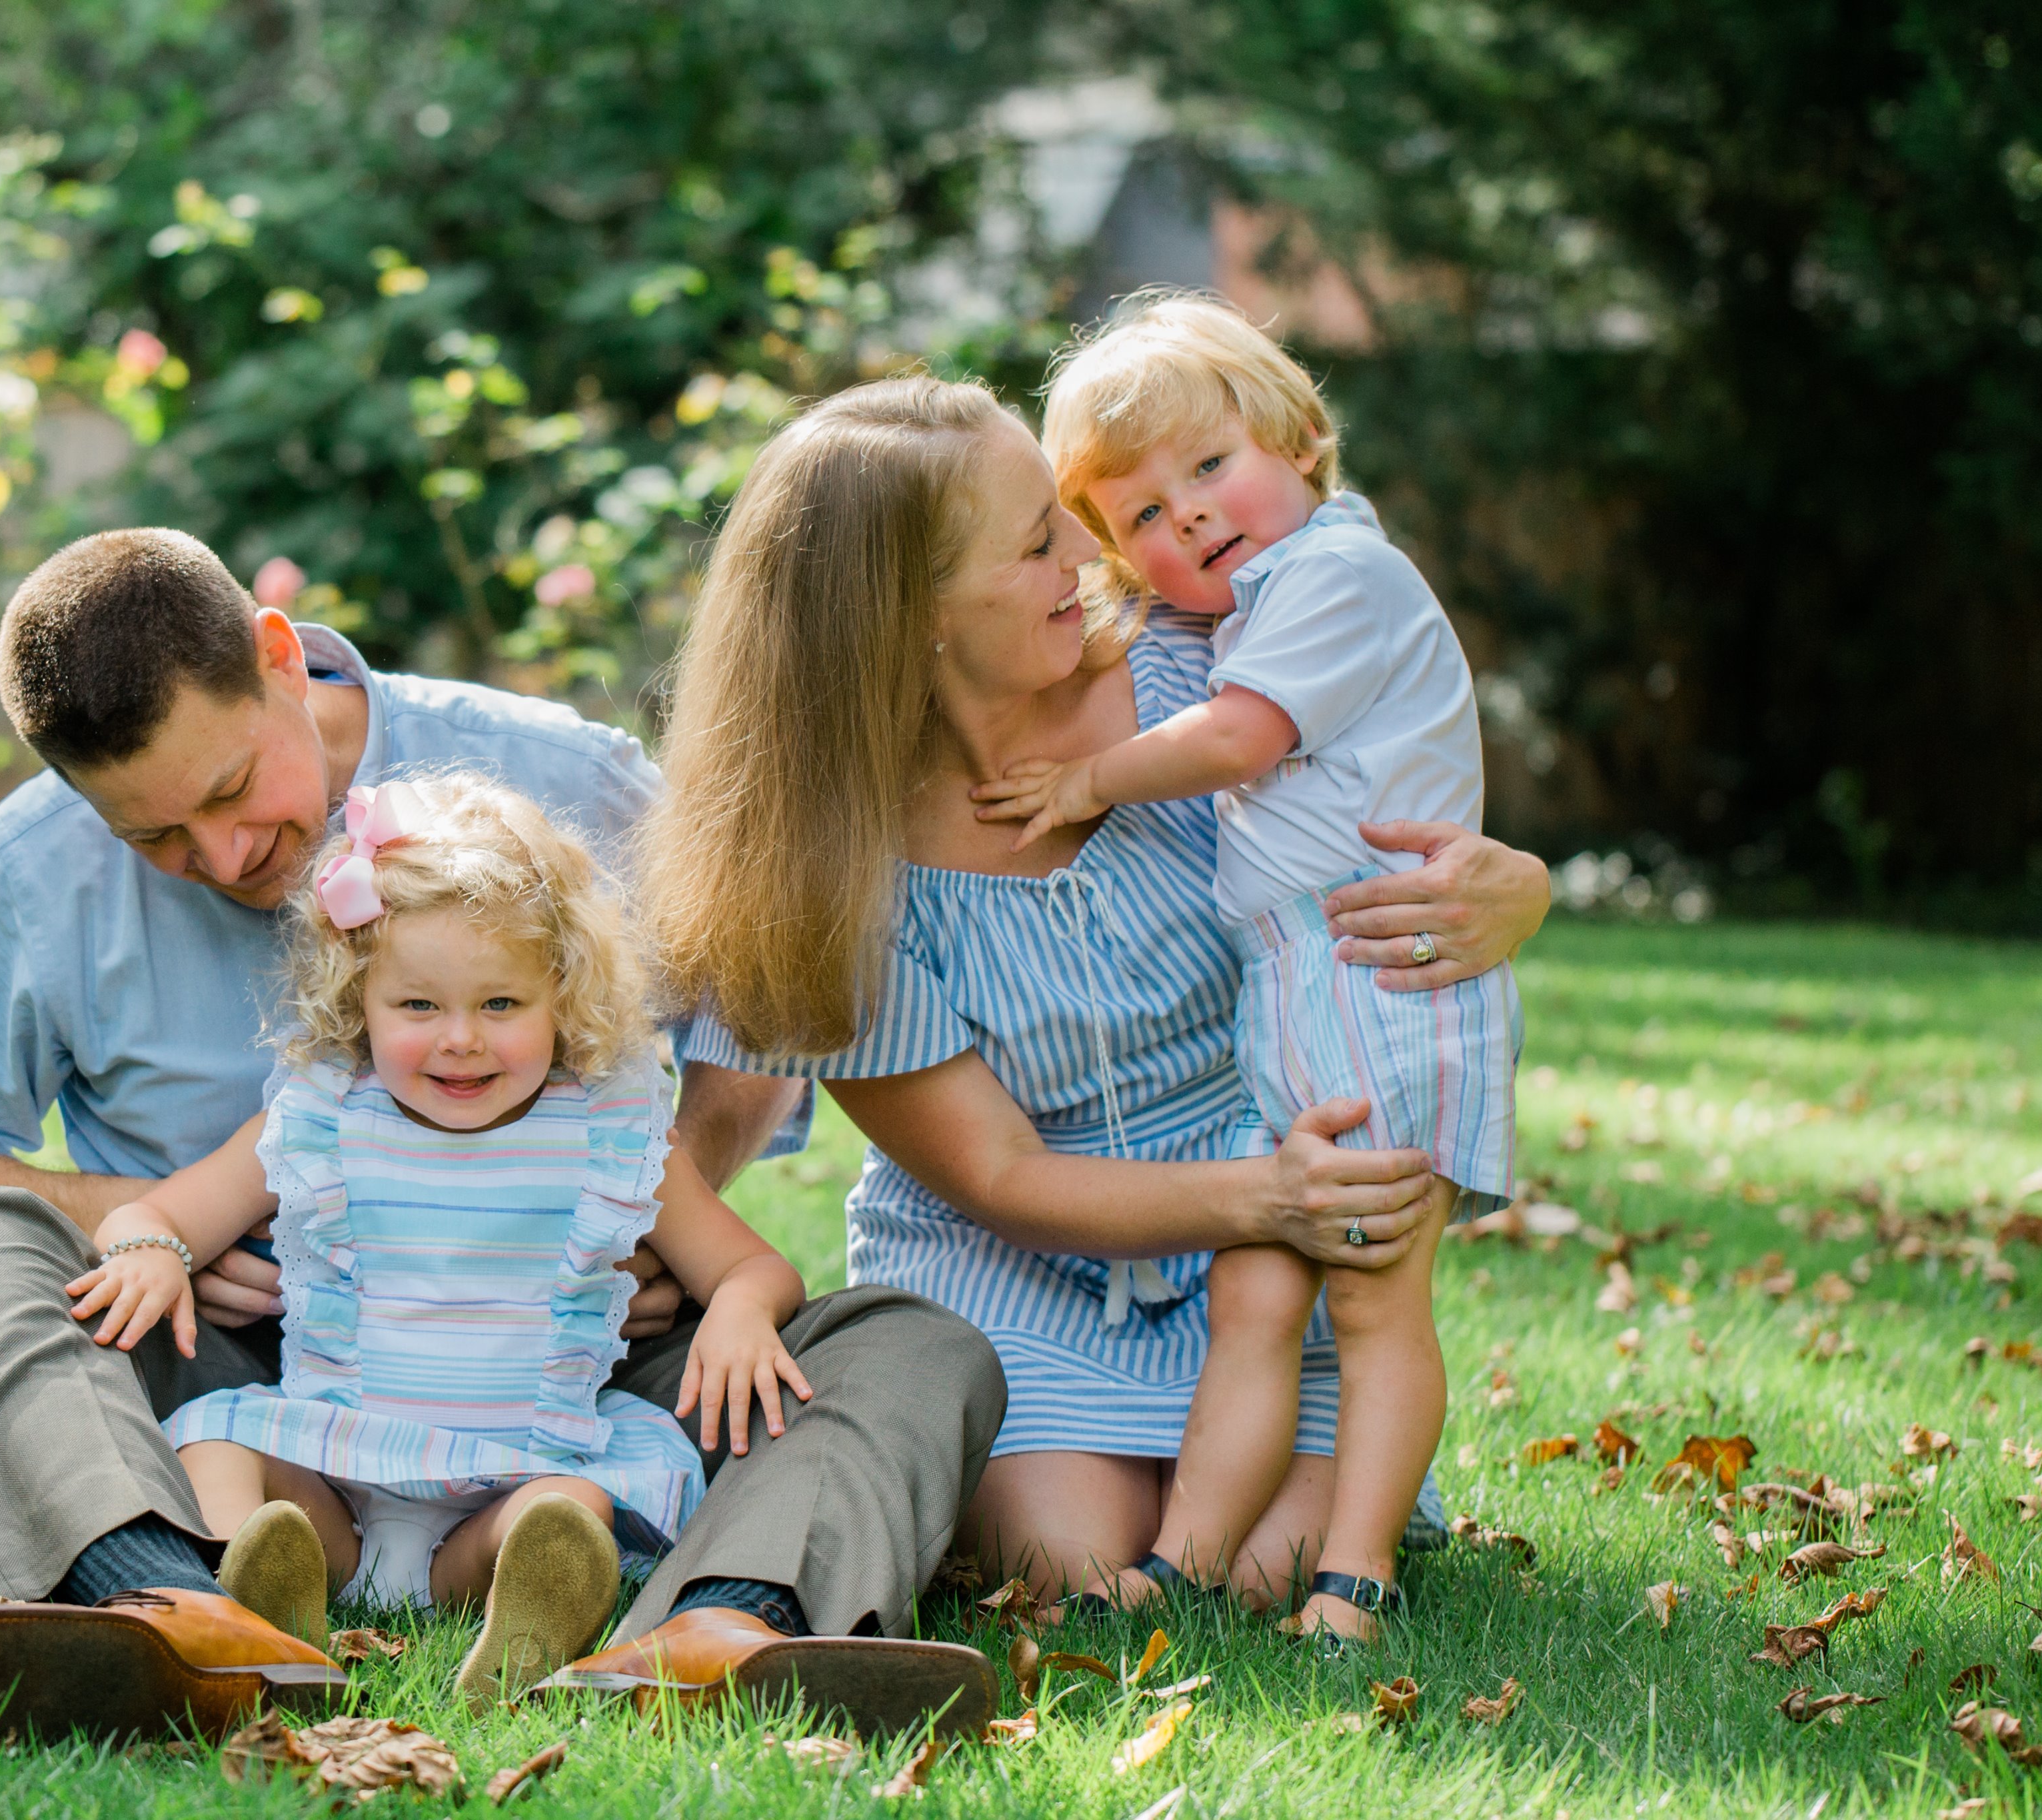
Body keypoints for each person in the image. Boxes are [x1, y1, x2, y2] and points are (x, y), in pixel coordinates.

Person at [0, 528, 1004, 1740]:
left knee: (914, 1347)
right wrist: (156, 1233)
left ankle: (727, 1624)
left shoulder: (568, 775)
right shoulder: (30, 871)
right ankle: (161, 1603)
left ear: (280, 660)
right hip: (242, 1360)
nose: (226, 858)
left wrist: (630, 1231)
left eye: (234, 790)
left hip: (576, 1363)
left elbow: (761, 1010)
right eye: (156, 840)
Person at [640, 373, 1549, 1621]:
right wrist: (1265, 1199)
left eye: (1069, 515)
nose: (1092, 552)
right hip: (1021, 1256)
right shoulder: (830, 867)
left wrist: (1514, 888)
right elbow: (1001, 1175)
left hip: (1263, 1230)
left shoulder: (1206, 683)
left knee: (1267, 1565)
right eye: (1034, 544)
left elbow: (1412, 761)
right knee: (1071, 1560)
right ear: (913, 621)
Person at [966, 294, 1518, 1645]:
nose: (1188, 519)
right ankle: (1186, 1558)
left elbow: (1235, 744)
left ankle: (1355, 1575)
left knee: (1376, 1297)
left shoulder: (1336, 576)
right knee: (1255, 1285)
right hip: (1302, 988)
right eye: (1139, 516)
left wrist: (1083, 779)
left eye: (1207, 468)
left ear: (1301, 438)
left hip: (1380, 980)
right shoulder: (1231, 610)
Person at [61, 772, 814, 1710]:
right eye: (418, 1008)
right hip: (334, 1468)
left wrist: (741, 1307)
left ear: (563, 995)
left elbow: (751, 1264)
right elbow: (158, 1215)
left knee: (565, 1510)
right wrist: (148, 1252)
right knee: (220, 1446)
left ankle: (530, 1610)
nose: (461, 1040)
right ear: (359, 1000)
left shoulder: (613, 1136)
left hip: (519, 1466)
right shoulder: (320, 1118)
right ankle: (250, 1600)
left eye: (501, 1005)